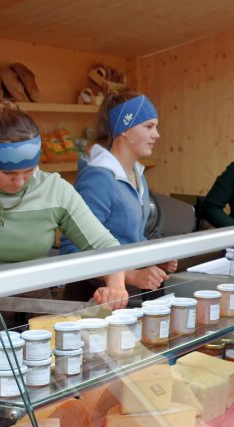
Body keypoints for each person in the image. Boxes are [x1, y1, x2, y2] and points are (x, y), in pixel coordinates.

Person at [0, 99, 127, 368]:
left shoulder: (55, 189)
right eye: (8, 173)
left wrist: (116, 283)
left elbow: (105, 245)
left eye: (28, 171)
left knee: (38, 387)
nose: (20, 182)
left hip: (36, 310)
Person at [60, 92, 177, 303]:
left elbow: (132, 236)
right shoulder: (99, 178)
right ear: (125, 129)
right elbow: (72, 250)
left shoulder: (136, 173)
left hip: (127, 294)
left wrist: (155, 260)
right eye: (149, 126)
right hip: (95, 299)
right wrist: (132, 275)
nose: (157, 135)